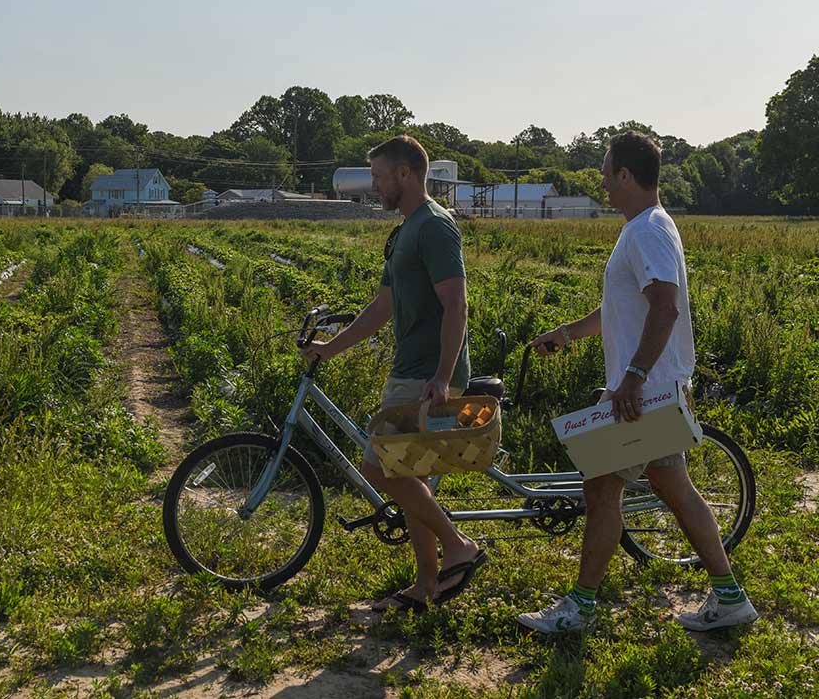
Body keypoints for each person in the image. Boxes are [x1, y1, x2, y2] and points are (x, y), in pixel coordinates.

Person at [518, 131, 758, 634]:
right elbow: (626, 309)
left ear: (626, 175)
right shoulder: (647, 227)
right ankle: (730, 597)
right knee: (674, 488)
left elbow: (665, 308)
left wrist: (632, 377)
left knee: (601, 487)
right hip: (653, 391)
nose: (603, 183)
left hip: (642, 396)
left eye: (607, 173)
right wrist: (569, 333)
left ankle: (579, 608)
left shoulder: (646, 230)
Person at [303, 135, 487, 613]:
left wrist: (443, 376)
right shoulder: (405, 232)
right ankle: (428, 584)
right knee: (410, 477)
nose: (375, 185)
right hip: (410, 369)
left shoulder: (435, 227)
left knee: (379, 466)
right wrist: (331, 349)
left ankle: (459, 547)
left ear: (406, 174)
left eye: (380, 176)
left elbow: (457, 305)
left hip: (427, 375)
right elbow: (382, 308)